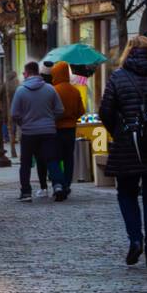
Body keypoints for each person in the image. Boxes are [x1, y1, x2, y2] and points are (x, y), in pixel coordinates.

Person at [99, 36, 147, 268]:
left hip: (128, 144)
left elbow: (106, 110)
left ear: (128, 52)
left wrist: (118, 131)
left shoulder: (118, 77)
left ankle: (135, 239)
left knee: (126, 193)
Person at [10, 60, 63, 201]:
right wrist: (50, 120)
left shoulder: (20, 91)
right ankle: (58, 186)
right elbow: (59, 110)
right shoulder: (50, 89)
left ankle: (26, 192)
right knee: (52, 159)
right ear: (38, 72)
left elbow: (14, 114)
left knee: (26, 163)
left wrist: (23, 123)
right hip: (48, 131)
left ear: (27, 73)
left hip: (28, 132)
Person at [49, 62, 82, 201]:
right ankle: (67, 184)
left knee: (54, 157)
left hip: (56, 128)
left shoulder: (53, 90)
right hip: (71, 129)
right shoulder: (75, 91)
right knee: (69, 158)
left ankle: (59, 183)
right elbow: (81, 111)